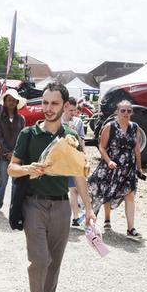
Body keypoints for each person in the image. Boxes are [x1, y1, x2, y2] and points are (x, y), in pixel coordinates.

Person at [8, 82, 96, 292]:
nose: (47, 108)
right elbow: (12, 168)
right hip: (33, 203)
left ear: (65, 106)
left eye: (54, 103)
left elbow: (79, 174)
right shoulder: (28, 134)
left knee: (55, 261)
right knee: (39, 260)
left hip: (61, 206)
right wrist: (28, 168)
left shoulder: (71, 137)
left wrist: (88, 209)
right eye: (45, 102)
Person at [88, 100, 143, 239]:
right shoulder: (110, 126)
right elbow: (101, 146)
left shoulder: (135, 127)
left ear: (132, 112)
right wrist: (109, 161)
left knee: (130, 195)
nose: (126, 113)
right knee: (107, 192)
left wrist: (139, 168)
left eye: (128, 111)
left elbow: (136, 148)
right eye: (123, 110)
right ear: (117, 112)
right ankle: (105, 219)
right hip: (112, 166)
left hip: (128, 168)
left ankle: (131, 229)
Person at [0, 89, 26, 210]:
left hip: (17, 156)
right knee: (3, 181)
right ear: (4, 102)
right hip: (3, 156)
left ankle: (13, 205)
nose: (11, 102)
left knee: (15, 182)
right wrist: (7, 153)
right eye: (9, 100)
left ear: (17, 102)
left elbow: (23, 138)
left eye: (13, 100)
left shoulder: (21, 119)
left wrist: (16, 154)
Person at [62, 96, 86, 226]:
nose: (73, 113)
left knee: (74, 189)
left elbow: (82, 140)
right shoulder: (57, 121)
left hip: (73, 160)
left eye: (74, 110)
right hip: (60, 160)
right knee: (60, 190)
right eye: (71, 110)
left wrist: (83, 155)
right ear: (65, 107)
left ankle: (76, 217)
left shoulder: (78, 122)